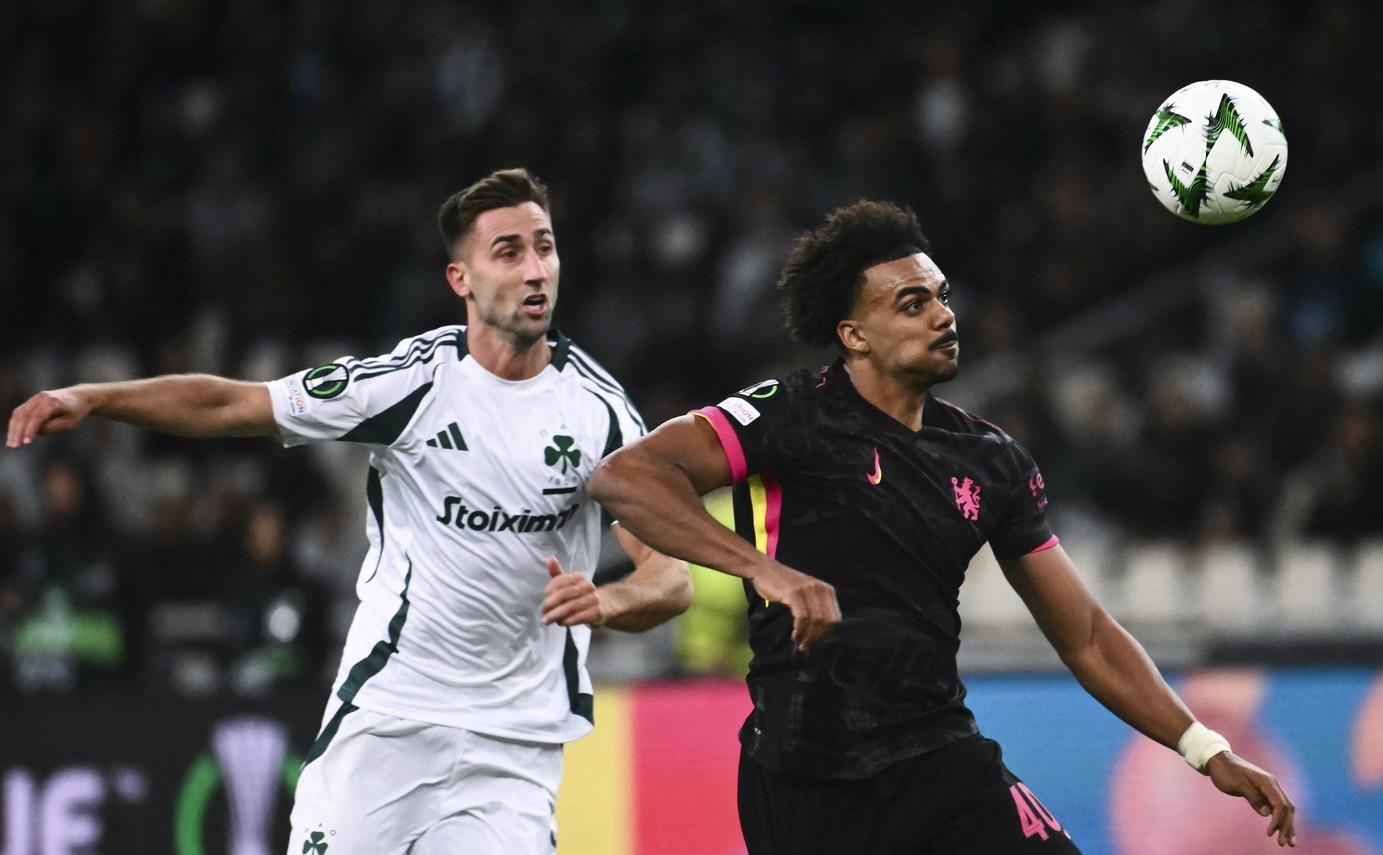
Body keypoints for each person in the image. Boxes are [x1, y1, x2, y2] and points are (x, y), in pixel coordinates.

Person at [6, 167, 693, 855]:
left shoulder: (602, 416)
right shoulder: (410, 384)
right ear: (462, 278)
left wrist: (606, 602)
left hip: (512, 752)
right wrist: (98, 397)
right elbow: (233, 403)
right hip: (390, 723)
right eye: (509, 252)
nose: (536, 268)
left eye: (544, 246)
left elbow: (671, 578)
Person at [586, 200, 1298, 853]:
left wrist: (1205, 747)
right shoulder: (790, 416)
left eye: (943, 296)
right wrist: (762, 569)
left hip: (941, 759)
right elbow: (626, 477)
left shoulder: (989, 460)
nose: (942, 315)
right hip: (806, 776)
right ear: (853, 333)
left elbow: (1083, 634)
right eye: (913, 302)